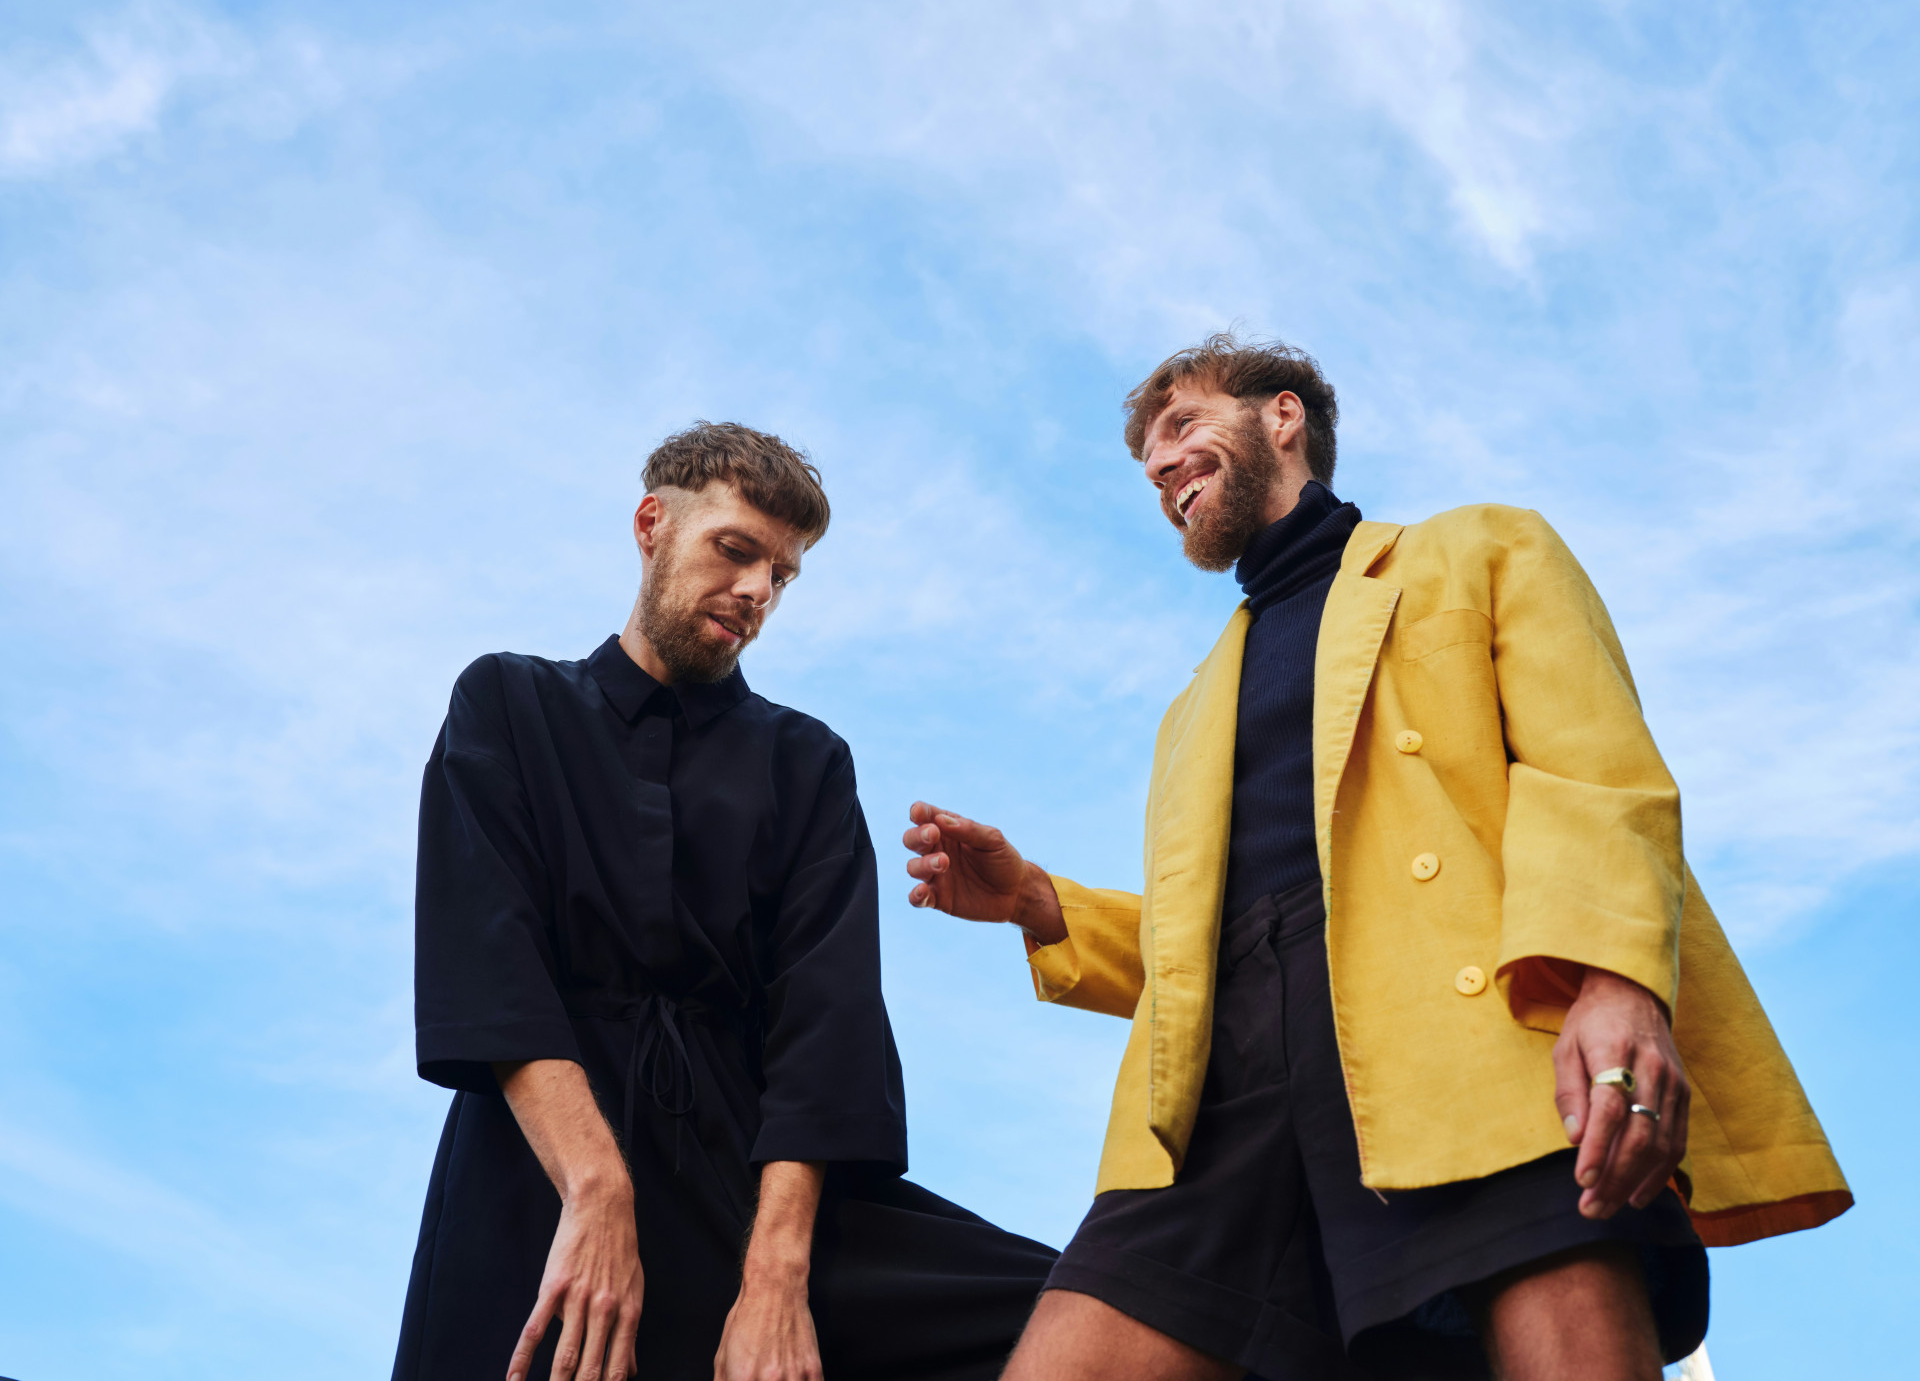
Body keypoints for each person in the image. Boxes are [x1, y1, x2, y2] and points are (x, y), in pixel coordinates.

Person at [903, 335, 1851, 1381]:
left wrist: (1616, 985)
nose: (1161, 464)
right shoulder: (1192, 706)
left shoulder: (1481, 549)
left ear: (1283, 416)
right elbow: (1220, 940)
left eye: (1181, 426)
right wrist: (1043, 905)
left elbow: (1591, 776)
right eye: (1148, 460)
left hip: (1467, 1042)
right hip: (1224, 1105)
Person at [393, 422, 1056, 1381]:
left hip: (753, 1183)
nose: (757, 592)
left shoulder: (807, 763)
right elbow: (488, 961)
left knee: (1091, 1313)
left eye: (781, 575)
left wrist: (776, 1281)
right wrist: (598, 1194)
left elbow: (826, 1026)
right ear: (651, 526)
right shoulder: (507, 702)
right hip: (537, 1176)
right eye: (735, 550)